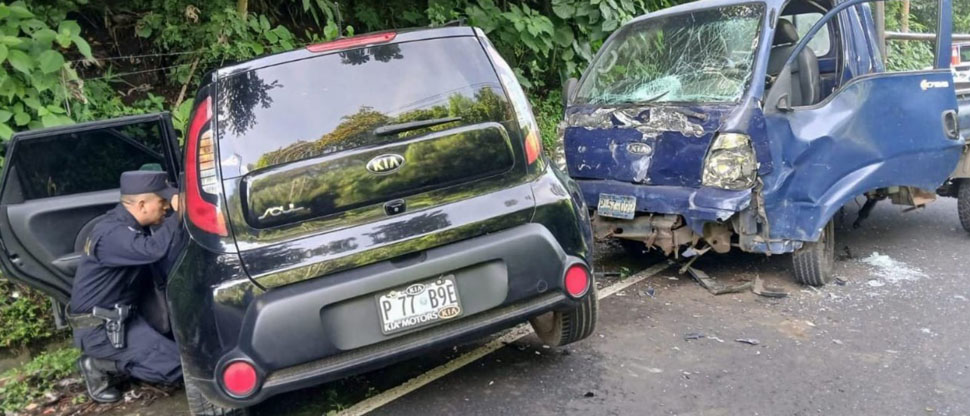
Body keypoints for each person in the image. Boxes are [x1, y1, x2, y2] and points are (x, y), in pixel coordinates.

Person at [67, 171, 185, 403]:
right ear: (142, 205)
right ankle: (99, 364)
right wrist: (180, 213)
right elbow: (153, 250)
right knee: (178, 368)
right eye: (162, 202)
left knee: (186, 356)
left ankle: (130, 356)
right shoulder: (113, 234)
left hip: (125, 318)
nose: (167, 207)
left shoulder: (126, 225)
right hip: (101, 331)